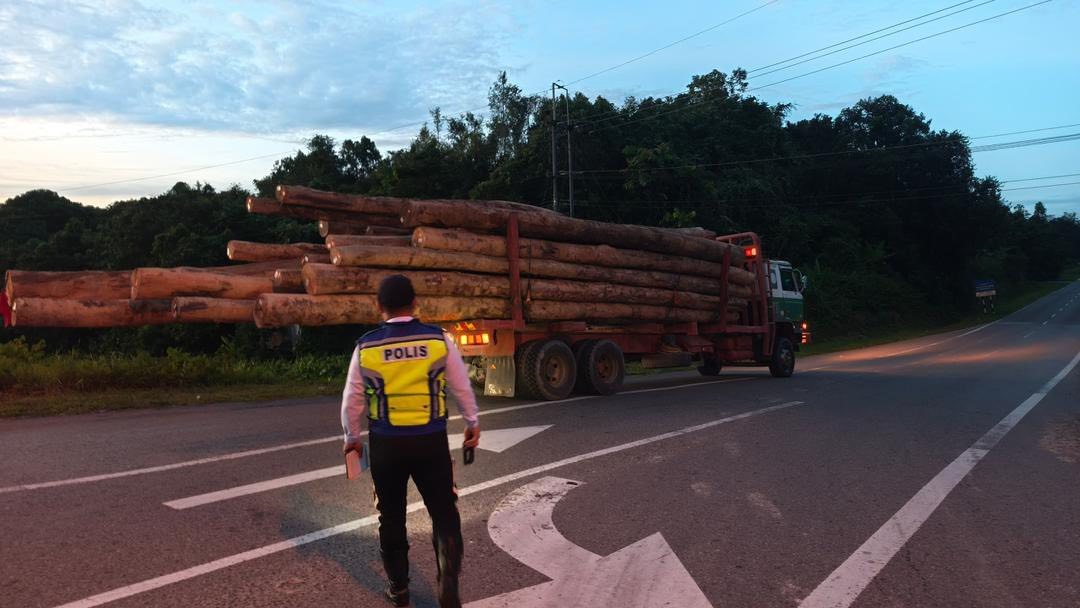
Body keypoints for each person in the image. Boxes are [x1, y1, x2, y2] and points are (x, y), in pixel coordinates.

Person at [341, 275, 480, 608]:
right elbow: (462, 387)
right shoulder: (438, 340)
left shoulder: (366, 346)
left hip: (386, 444)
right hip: (430, 441)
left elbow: (351, 401)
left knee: (391, 516)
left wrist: (352, 440)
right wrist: (472, 422)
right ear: (415, 304)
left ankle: (399, 588)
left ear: (379, 307)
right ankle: (447, 577)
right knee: (444, 511)